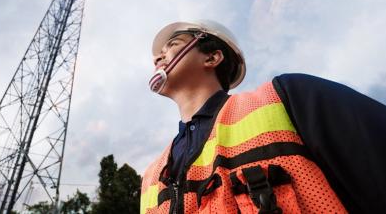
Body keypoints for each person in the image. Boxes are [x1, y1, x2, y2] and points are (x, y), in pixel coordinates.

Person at [140, 20, 386, 214]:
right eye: (157, 54)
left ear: (212, 57)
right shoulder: (151, 176)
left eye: (173, 44)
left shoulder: (289, 97)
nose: (157, 58)